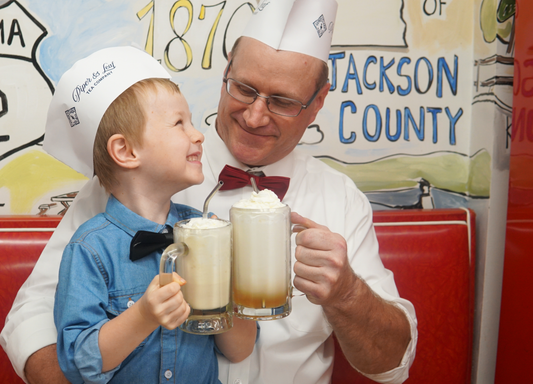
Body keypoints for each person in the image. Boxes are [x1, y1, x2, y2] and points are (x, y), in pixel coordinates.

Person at [1, 1, 417, 383]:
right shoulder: (140, 175)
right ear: (226, 73)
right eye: (244, 89)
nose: (254, 116)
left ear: (318, 101)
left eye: (283, 102)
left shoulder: (341, 199)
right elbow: (32, 315)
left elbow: (392, 365)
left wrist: (345, 292)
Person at [49, 46, 256, 383]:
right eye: (179, 123)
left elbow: (239, 350)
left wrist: (237, 280)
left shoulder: (209, 232)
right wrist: (143, 314)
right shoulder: (89, 249)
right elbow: (79, 362)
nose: (199, 134)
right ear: (126, 151)